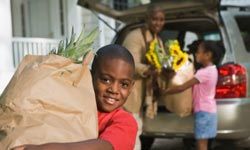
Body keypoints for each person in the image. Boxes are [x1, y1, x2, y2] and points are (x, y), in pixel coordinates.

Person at [13, 44, 138, 150]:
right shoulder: (74, 104)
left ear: (131, 86)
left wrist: (40, 148)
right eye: (105, 80)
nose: (114, 90)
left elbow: (102, 147)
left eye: (124, 84)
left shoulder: (125, 122)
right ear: (90, 76)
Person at [162, 41, 223, 150]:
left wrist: (165, 91)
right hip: (210, 111)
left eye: (199, 52)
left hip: (203, 112)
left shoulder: (203, 73)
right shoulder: (213, 70)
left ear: (208, 55)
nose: (196, 54)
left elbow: (182, 87)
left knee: (201, 145)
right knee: (204, 143)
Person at [122, 5, 165, 149]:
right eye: (154, 19)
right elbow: (129, 63)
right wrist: (148, 70)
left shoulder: (157, 39)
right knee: (132, 129)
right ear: (147, 19)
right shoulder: (135, 36)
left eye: (161, 20)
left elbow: (162, 62)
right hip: (131, 91)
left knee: (137, 128)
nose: (158, 23)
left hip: (144, 92)